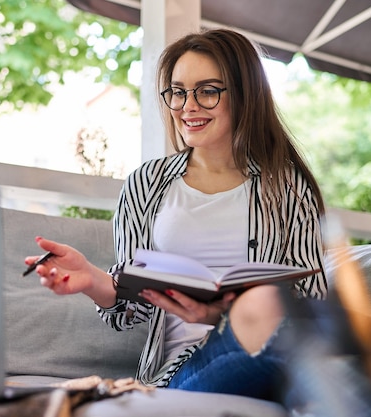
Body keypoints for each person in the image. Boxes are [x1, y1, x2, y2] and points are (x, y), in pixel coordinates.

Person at [25, 28, 327, 401]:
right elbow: (130, 307)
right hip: (183, 371)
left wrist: (228, 314)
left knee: (286, 314)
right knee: (271, 308)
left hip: (277, 354)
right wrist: (91, 279)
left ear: (245, 95)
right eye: (178, 92)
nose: (188, 106)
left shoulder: (287, 187)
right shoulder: (146, 184)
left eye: (207, 90)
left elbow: (312, 300)